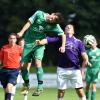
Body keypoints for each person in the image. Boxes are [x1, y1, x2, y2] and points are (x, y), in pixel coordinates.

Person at [17, 10, 66, 96]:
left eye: (54, 20)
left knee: (37, 62)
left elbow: (63, 35)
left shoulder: (55, 25)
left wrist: (63, 46)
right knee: (22, 66)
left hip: (39, 44)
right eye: (53, 18)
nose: (51, 20)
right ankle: (26, 84)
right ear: (52, 13)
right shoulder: (39, 13)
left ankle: (40, 87)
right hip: (28, 43)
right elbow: (29, 23)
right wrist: (21, 32)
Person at [36, 24, 89, 100]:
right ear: (64, 31)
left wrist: (83, 70)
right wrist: (40, 42)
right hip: (62, 69)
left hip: (75, 70)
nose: (68, 27)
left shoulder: (79, 42)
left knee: (79, 90)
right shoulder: (60, 39)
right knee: (61, 91)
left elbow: (85, 58)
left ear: (73, 31)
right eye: (66, 27)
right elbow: (48, 39)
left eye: (70, 27)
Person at [0, 33, 22, 100]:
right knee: (6, 90)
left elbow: (24, 58)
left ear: (16, 40)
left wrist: (23, 65)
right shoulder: (4, 48)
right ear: (8, 39)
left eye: (14, 38)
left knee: (9, 87)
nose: (12, 40)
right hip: (4, 70)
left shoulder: (19, 48)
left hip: (14, 71)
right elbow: (0, 60)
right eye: (11, 38)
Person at [83, 35, 100, 100]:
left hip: (96, 70)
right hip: (89, 70)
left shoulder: (99, 51)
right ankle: (86, 98)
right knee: (87, 86)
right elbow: (85, 61)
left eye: (94, 42)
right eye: (92, 42)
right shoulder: (88, 51)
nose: (93, 43)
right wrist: (83, 68)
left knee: (93, 86)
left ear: (96, 43)